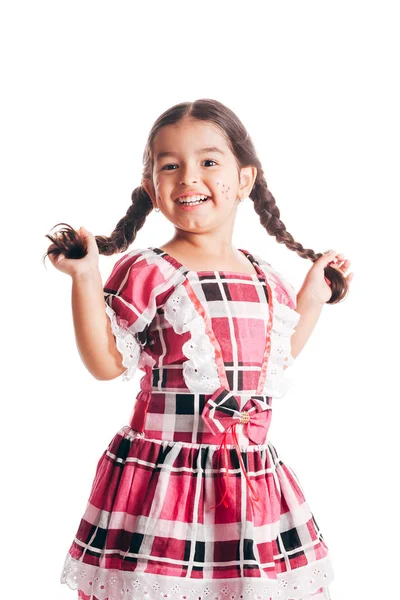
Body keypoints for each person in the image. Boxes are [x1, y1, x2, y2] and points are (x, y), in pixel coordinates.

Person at [45, 98, 353, 600]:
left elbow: (269, 366)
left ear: (246, 179)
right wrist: (85, 277)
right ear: (152, 189)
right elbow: (105, 363)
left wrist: (311, 298)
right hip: (168, 483)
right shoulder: (149, 270)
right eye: (170, 166)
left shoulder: (267, 278)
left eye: (209, 161)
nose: (189, 177)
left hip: (250, 483)